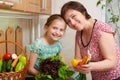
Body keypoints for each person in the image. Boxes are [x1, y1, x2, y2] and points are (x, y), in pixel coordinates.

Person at [61, 1, 120, 80]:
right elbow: (78, 58)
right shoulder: (79, 33)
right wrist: (78, 66)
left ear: (83, 12)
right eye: (68, 21)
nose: (72, 23)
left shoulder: (101, 29)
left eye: (73, 16)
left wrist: (90, 66)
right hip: (96, 78)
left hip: (114, 77)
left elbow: (112, 62)